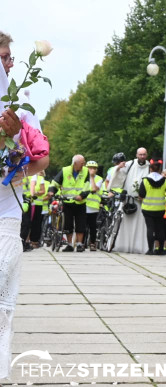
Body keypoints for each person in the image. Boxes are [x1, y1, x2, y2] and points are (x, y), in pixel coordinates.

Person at [0, 73, 50, 382]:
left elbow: (41, 159)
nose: (3, 63)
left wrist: (19, 169)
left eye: (6, 57)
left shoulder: (21, 110)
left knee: (3, 279)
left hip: (6, 208)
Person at [110, 148, 152, 254]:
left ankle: (139, 246)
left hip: (142, 201)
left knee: (141, 225)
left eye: (144, 154)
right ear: (137, 155)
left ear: (146, 155)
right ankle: (123, 244)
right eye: (140, 154)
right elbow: (119, 175)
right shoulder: (130, 164)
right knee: (124, 223)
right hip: (129, 201)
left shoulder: (149, 167)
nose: (142, 156)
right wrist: (118, 168)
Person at [51, 154, 89, 252]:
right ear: (75, 163)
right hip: (67, 201)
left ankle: (80, 244)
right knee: (68, 224)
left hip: (80, 202)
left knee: (81, 223)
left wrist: (82, 195)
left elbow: (87, 185)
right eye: (82, 163)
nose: (83, 165)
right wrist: (51, 191)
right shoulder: (65, 170)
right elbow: (55, 182)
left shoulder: (85, 171)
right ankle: (69, 244)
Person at [138, 160, 166, 255]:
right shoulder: (164, 181)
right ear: (159, 169)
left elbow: (141, 194)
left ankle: (150, 249)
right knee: (160, 229)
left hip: (147, 208)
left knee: (150, 229)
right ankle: (161, 249)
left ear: (150, 168)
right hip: (160, 209)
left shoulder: (145, 180)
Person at [83, 160, 104, 251]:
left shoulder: (99, 178)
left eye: (94, 168)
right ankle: (82, 242)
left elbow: (94, 188)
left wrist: (91, 177)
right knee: (83, 225)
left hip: (93, 206)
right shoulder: (82, 177)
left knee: (92, 226)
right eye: (89, 168)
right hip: (83, 204)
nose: (91, 170)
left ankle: (92, 243)